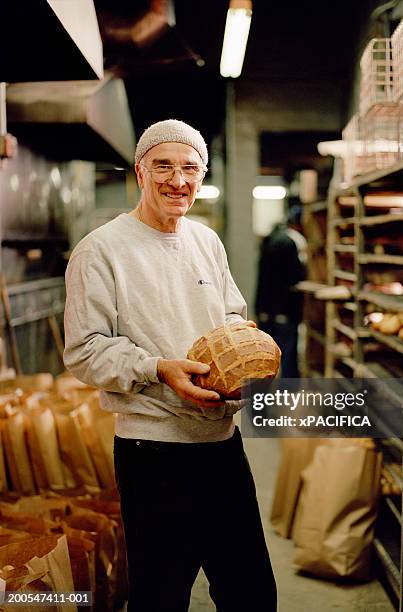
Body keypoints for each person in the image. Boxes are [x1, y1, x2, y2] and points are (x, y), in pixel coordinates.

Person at [63, 119, 277, 612]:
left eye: (190, 169)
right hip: (153, 450)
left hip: (222, 445)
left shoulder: (206, 242)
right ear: (140, 171)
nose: (178, 181)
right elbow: (84, 349)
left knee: (251, 594)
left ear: (202, 176)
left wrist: (246, 359)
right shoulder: (101, 250)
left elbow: (229, 316)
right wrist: (159, 368)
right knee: (161, 596)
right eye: (164, 166)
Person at [255, 206, 307, 377]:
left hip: (266, 309)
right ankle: (287, 397)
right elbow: (295, 276)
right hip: (285, 310)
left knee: (264, 359)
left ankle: (261, 400)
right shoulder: (292, 242)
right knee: (287, 356)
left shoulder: (271, 239)